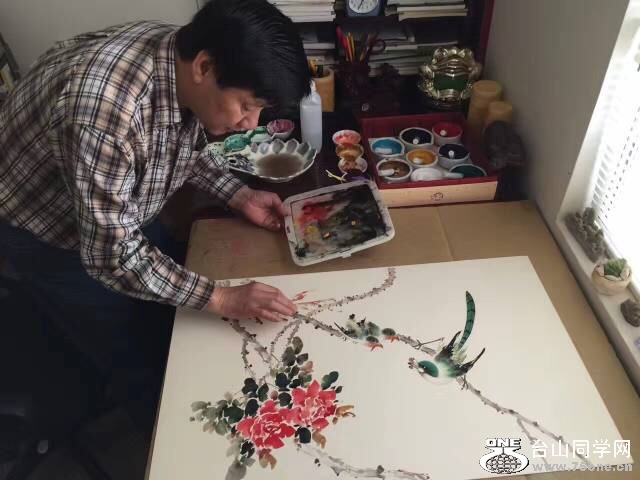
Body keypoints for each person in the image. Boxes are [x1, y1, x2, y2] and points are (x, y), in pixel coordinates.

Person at [0, 0, 309, 433]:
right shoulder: (105, 113)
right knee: (135, 356)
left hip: (120, 209)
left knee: (173, 318)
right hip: (51, 232)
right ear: (204, 67)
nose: (250, 124)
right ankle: (163, 441)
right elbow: (111, 257)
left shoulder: (179, 54)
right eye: (246, 105)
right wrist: (222, 298)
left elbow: (175, 145)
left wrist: (239, 196)